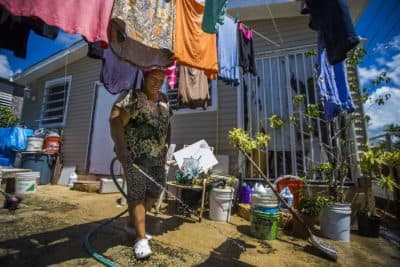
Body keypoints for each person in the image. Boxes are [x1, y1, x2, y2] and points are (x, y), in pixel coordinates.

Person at [109, 69, 171, 259]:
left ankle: (131, 224)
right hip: (135, 156)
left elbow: (168, 124)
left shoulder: (165, 99)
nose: (158, 83)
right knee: (137, 193)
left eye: (161, 80)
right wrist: (121, 148)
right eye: (154, 78)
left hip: (157, 157)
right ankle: (140, 238)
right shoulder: (134, 96)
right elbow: (116, 120)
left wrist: (167, 143)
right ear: (144, 78)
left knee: (155, 190)